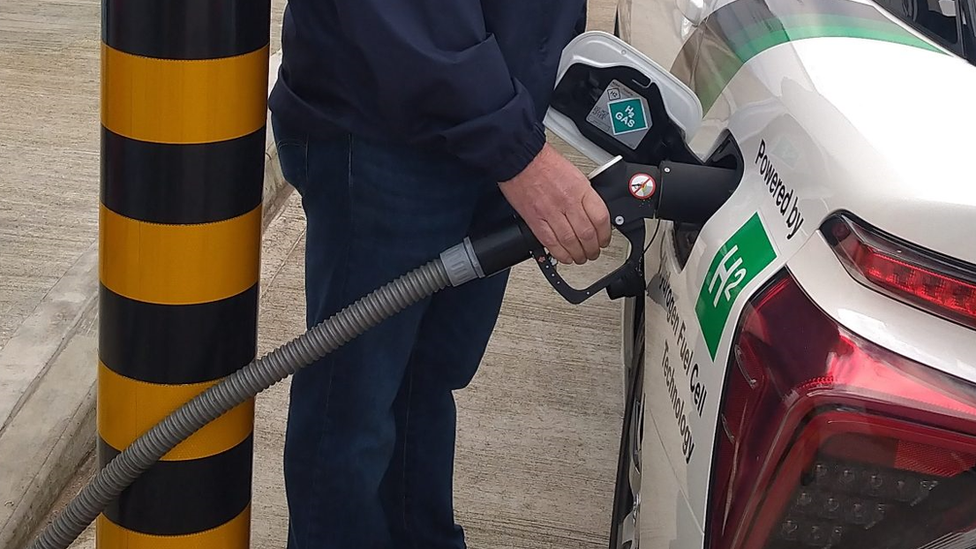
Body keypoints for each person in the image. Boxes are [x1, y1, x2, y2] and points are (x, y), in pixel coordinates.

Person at [268, 2, 611, 547]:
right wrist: (518, 153)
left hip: (495, 111)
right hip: (384, 126)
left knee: (422, 382)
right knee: (353, 404)